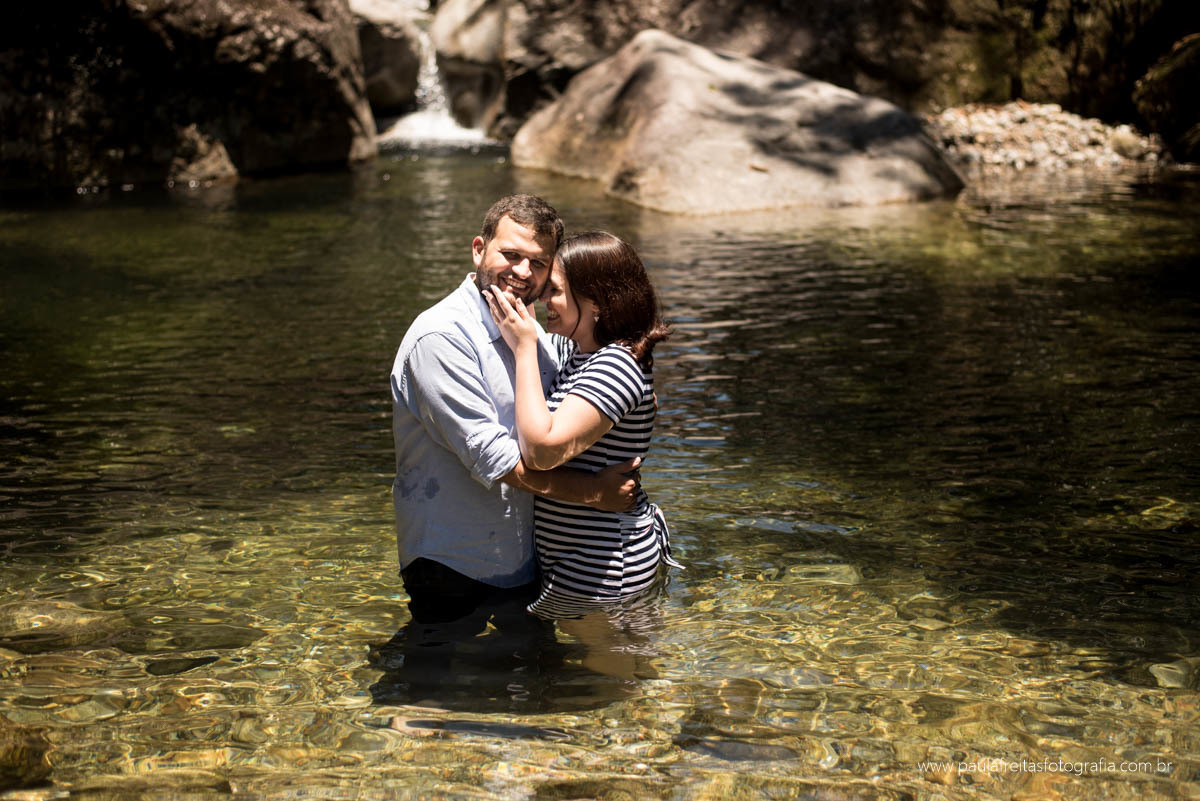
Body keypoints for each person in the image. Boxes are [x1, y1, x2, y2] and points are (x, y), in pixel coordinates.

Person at [388, 195, 641, 625]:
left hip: (518, 561)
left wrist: (635, 390)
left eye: (539, 263)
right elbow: (496, 461)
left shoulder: (528, 332)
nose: (523, 272)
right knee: (440, 690)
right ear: (478, 249)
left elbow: (583, 382)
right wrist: (596, 493)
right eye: (511, 254)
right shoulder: (440, 338)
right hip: (452, 563)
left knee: (528, 685)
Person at [485, 231, 681, 621]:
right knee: (591, 677)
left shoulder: (617, 363)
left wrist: (524, 349)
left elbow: (542, 451)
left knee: (609, 680)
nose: (543, 300)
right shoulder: (578, 353)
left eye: (555, 290)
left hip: (604, 568)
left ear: (595, 303)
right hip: (581, 563)